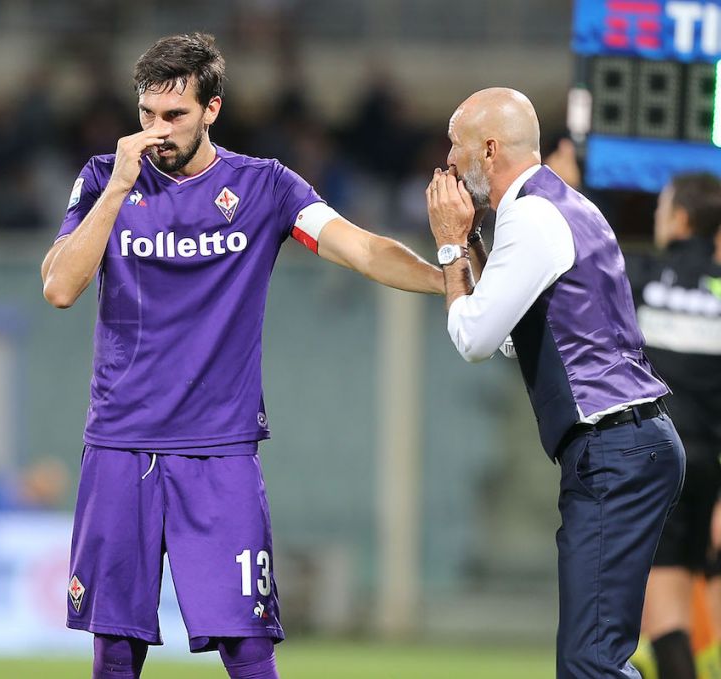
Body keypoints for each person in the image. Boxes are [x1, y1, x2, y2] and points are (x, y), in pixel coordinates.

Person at [40, 33, 443, 679]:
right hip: (121, 440)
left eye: (174, 115)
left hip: (219, 449)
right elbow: (60, 287)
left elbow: (360, 248)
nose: (156, 130)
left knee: (247, 645)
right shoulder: (100, 179)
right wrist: (116, 189)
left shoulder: (265, 188)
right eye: (146, 114)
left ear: (212, 109)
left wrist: (452, 278)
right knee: (115, 647)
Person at [425, 87, 685, 679]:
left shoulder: (532, 216)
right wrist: (470, 243)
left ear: (488, 150)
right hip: (632, 442)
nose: (448, 163)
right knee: (594, 658)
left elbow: (474, 337)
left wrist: (447, 245)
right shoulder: (563, 204)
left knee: (590, 663)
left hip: (613, 449)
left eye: (456, 147)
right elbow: (523, 334)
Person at [545, 143, 721, 678]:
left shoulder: (641, 277)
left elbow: (583, 252)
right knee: (705, 617)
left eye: (664, 207)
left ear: (683, 218)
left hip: (655, 460)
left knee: (665, 621)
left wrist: (568, 190)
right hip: (714, 474)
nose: (657, 215)